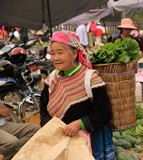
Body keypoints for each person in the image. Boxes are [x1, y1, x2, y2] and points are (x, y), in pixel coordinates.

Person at [40, 30, 115, 160]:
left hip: (91, 140)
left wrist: (80, 123)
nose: (55, 58)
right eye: (52, 53)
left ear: (74, 53)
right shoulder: (52, 79)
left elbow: (105, 112)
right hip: (61, 140)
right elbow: (43, 110)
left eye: (60, 52)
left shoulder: (90, 79)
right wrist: (51, 126)